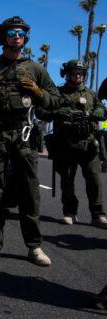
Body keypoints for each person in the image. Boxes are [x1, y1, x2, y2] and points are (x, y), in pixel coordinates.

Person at [0, 16, 62, 267]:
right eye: (12, 32)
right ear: (3, 37)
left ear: (25, 38)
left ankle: (34, 246)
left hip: (24, 136)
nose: (17, 36)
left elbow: (56, 101)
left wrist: (39, 94)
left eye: (21, 33)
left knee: (29, 192)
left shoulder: (35, 69)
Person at [36, 60, 107, 228]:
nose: (79, 75)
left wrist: (99, 112)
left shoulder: (90, 94)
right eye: (75, 72)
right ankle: (69, 212)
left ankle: (98, 215)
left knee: (94, 180)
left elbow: (102, 110)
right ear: (66, 74)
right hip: (65, 145)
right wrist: (56, 112)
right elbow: (41, 111)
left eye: (81, 73)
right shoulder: (57, 94)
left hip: (88, 144)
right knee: (67, 181)